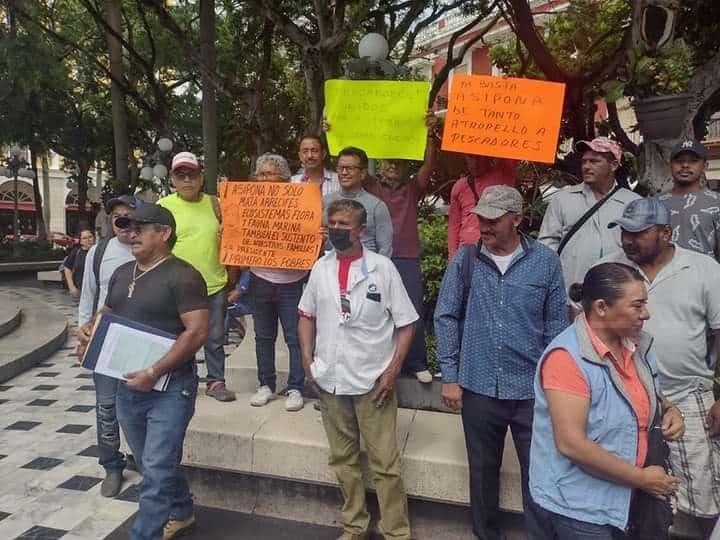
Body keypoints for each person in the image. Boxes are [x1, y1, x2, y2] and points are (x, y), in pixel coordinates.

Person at [434, 185, 568, 539]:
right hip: (479, 385)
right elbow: (445, 316)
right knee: (481, 471)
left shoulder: (545, 261)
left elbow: (557, 325)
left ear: (517, 220)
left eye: (493, 220)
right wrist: (450, 375)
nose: (485, 227)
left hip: (530, 389)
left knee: (538, 472)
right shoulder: (465, 259)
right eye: (481, 218)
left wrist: (557, 384)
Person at [79, 203, 209, 540]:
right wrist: (91, 329)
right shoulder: (123, 273)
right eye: (126, 226)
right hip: (127, 386)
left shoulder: (184, 275)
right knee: (152, 462)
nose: (130, 232)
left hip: (170, 389)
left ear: (163, 233)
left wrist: (155, 369)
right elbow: (108, 311)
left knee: (155, 469)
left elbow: (196, 332)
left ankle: (144, 534)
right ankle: (181, 512)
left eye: (140, 227)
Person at [529, 262, 685, 539]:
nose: (645, 314)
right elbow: (571, 444)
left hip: (626, 500)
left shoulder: (637, 344)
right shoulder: (567, 359)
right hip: (580, 508)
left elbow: (639, 391)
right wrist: (641, 479)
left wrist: (668, 409)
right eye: (637, 306)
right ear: (601, 307)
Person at [599, 197, 720, 538]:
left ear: (666, 233)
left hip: (688, 397)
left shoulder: (704, 269)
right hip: (624, 398)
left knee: (704, 493)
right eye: (624, 231)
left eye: (638, 232)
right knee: (630, 489)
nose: (627, 240)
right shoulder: (611, 269)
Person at [298, 199, 418, 540]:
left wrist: (393, 371)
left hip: (372, 381)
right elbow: (306, 315)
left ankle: (396, 531)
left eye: (343, 224)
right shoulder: (320, 268)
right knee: (343, 461)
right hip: (330, 380)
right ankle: (354, 526)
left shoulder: (382, 268)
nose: (335, 229)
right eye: (331, 222)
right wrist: (307, 362)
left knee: (385, 466)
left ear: (361, 230)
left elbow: (407, 323)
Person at [359, 111, 438, 384]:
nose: (392, 166)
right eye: (387, 161)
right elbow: (355, 159)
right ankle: (382, 361)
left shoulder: (413, 188)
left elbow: (428, 168)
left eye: (398, 162)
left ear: (405, 167)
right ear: (378, 165)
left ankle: (416, 362)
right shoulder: (369, 185)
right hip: (377, 255)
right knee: (376, 309)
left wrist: (429, 137)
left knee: (411, 308)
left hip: (406, 257)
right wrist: (334, 132)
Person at [158, 151, 236, 402]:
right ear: (173, 179)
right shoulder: (163, 207)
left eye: (192, 175)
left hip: (213, 284)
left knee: (214, 338)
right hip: (176, 287)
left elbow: (236, 235)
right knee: (176, 337)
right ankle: (178, 381)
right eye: (181, 176)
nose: (187, 180)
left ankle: (215, 382)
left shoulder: (216, 204)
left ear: (201, 178)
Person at [78, 194, 140, 498]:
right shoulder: (99, 252)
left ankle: (141, 458)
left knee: (141, 403)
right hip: (106, 337)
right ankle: (112, 466)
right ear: (110, 221)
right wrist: (83, 329)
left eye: (132, 217)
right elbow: (88, 296)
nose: (126, 224)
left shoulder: (148, 247)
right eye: (120, 218)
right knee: (106, 406)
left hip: (140, 338)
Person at [538, 137, 640, 308]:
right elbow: (546, 246)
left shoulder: (633, 203)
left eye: (594, 161)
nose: (586, 166)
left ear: (613, 165)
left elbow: (640, 248)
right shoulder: (562, 200)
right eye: (584, 161)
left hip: (617, 298)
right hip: (569, 297)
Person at [247, 154, 307, 412]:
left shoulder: (301, 201)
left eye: (268, 174)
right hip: (259, 279)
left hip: (291, 282)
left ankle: (296, 387)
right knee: (263, 336)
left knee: (295, 338)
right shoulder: (248, 203)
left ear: (284, 178)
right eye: (259, 174)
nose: (262, 179)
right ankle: (266, 385)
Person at [322, 146, 393, 257]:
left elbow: (385, 248)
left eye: (349, 168)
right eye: (341, 168)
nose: (344, 172)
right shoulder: (325, 201)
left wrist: (376, 271)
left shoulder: (377, 206)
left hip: (366, 269)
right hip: (331, 268)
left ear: (363, 173)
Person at [657, 139, 719, 260]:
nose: (685, 165)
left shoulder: (716, 202)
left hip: (705, 275)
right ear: (669, 166)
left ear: (705, 166)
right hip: (664, 276)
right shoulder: (655, 203)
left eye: (693, 161)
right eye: (679, 161)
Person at [447, 156, 517, 259]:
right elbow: (454, 226)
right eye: (471, 158)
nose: (475, 163)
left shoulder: (503, 174)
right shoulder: (460, 186)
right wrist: (452, 258)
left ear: (488, 157)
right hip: (467, 252)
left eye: (479, 158)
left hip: (497, 252)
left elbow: (509, 152)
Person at [63, 227, 95, 298]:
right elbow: (67, 268)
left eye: (90, 237)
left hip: (96, 291)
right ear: (80, 241)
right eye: (84, 238)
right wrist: (71, 286)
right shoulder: (76, 252)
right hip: (80, 291)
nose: (88, 240)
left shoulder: (99, 251)